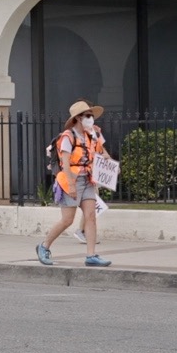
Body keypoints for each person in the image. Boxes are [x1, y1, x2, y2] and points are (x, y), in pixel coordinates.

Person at [36, 100, 111, 267]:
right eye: (87, 115)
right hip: (71, 181)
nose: (91, 118)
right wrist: (70, 185)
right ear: (78, 118)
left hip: (88, 180)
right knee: (67, 220)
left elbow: (102, 153)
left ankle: (91, 255)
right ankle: (44, 246)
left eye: (91, 115)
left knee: (91, 217)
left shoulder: (92, 134)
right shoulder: (67, 137)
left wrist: (110, 165)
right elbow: (65, 163)